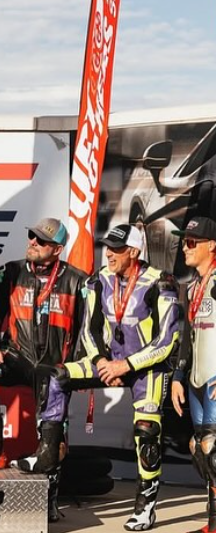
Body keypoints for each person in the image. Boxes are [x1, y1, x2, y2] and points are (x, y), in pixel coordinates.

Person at [43, 223, 180, 531]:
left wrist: (126, 366)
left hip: (146, 367)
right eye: (107, 247)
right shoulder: (99, 280)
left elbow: (167, 340)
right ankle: (48, 478)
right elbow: (88, 330)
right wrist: (102, 361)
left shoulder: (161, 282)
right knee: (58, 377)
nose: (109, 254)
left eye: (117, 249)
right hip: (108, 362)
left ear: (134, 252)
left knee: (147, 430)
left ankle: (145, 507)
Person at [0, 217, 85, 521]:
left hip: (54, 367)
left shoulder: (78, 280)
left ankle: (49, 500)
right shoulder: (10, 271)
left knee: (53, 436)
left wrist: (79, 365)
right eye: (31, 237)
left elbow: (87, 328)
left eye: (41, 241)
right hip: (17, 356)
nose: (32, 243)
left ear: (56, 249)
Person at [171, 217, 216, 533]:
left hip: (214, 379)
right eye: (183, 240)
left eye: (191, 241)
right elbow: (186, 337)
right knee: (197, 448)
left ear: (211, 245)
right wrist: (177, 376)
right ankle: (212, 522)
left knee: (212, 450)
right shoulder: (194, 286)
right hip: (195, 382)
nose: (184, 247)